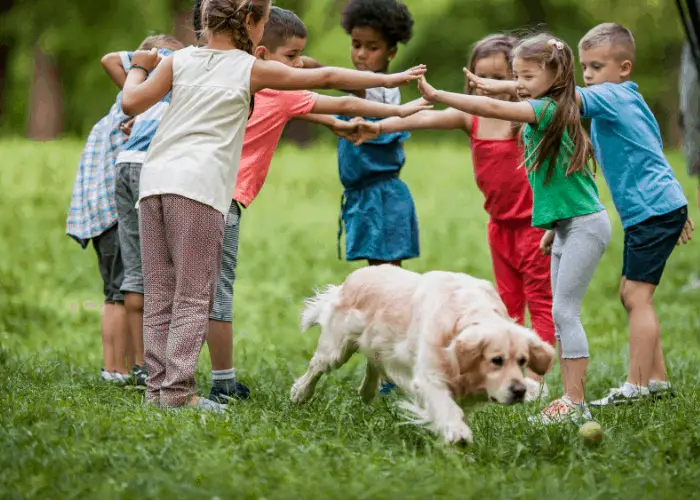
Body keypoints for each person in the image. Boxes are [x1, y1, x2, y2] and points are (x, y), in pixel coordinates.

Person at [121, 0, 427, 412]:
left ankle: (158, 391)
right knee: (194, 296)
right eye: (264, 21)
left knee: (161, 292)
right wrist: (395, 84)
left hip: (154, 183)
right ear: (250, 23)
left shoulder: (180, 60)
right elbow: (331, 79)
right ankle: (177, 395)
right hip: (199, 189)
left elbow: (131, 102)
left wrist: (140, 67)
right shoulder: (249, 68)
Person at [420, 33, 611, 424]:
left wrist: (440, 93)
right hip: (562, 226)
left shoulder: (543, 110)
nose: (518, 85)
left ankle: (570, 399)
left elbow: (492, 105)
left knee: (561, 310)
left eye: (524, 77)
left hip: (583, 225)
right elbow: (504, 93)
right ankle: (560, 393)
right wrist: (553, 227)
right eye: (515, 76)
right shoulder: (558, 102)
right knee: (553, 310)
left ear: (552, 76)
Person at [353, 34, 555, 401]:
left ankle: (540, 380)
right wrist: (379, 128)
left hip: (535, 226)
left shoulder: (527, 117)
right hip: (499, 226)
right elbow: (427, 119)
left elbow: (556, 95)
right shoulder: (471, 115)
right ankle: (502, 373)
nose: (489, 87)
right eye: (480, 78)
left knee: (540, 300)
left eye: (498, 77)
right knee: (506, 305)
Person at [66, 35, 173, 385]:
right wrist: (148, 62)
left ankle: (119, 368)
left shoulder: (129, 109)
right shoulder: (133, 108)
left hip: (99, 211)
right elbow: (110, 58)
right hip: (113, 212)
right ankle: (118, 369)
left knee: (116, 290)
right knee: (118, 292)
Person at [112, 35, 184, 388]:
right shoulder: (176, 79)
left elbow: (112, 59)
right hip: (151, 168)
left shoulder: (142, 93)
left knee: (135, 268)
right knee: (165, 267)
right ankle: (163, 362)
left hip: (123, 165)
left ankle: (141, 364)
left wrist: (140, 63)